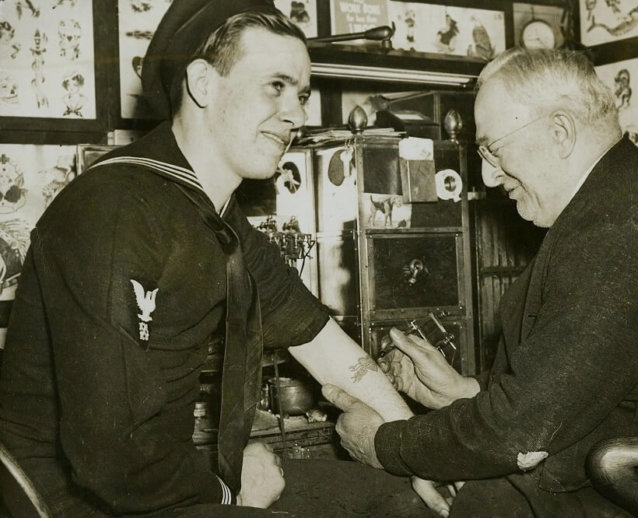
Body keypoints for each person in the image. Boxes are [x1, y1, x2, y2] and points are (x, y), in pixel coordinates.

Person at [0, 1, 449, 517]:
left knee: (403, 503)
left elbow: (324, 346)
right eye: (275, 86)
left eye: (300, 95)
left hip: (154, 480)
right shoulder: (118, 210)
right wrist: (229, 492)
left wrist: (419, 455)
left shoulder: (213, 214)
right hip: (81, 501)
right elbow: (111, 459)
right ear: (203, 84)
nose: (297, 115)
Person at [324, 48, 638, 517]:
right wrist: (468, 393)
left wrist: (384, 444)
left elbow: (520, 429)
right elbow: (579, 382)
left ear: (560, 132)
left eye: (493, 150)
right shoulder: (614, 205)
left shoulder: (624, 230)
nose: (488, 175)